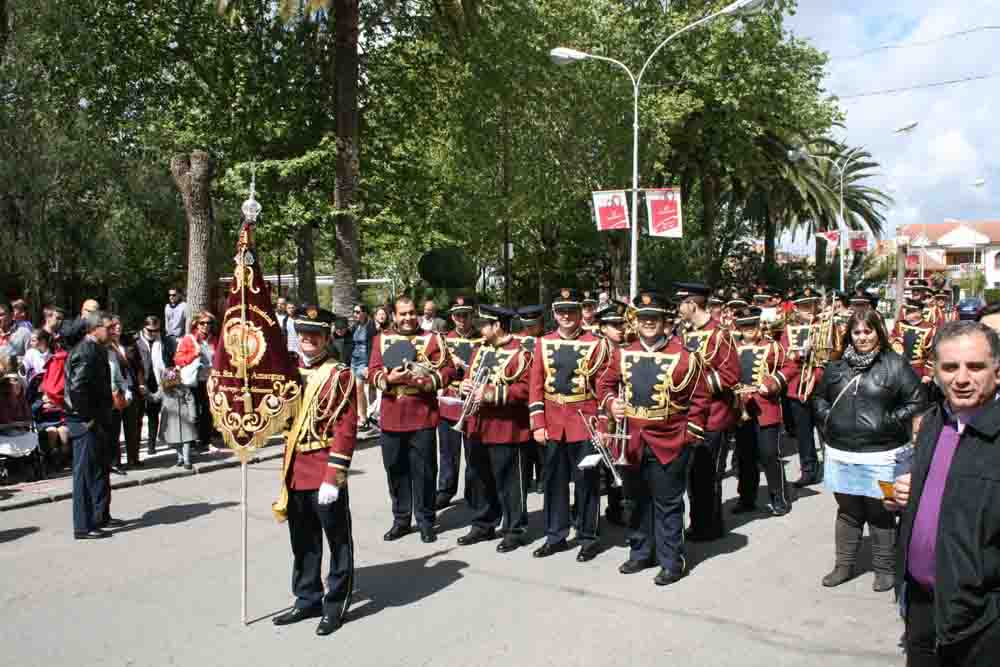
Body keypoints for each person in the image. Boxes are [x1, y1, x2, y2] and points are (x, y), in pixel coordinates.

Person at [890, 321, 1000, 666]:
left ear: (997, 371)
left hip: (981, 621)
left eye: (975, 366)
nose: (962, 378)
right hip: (922, 605)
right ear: (935, 372)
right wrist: (901, 497)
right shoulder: (932, 422)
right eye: (950, 367)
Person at [597, 290, 710, 585]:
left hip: (670, 439)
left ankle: (672, 560)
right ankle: (641, 552)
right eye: (644, 318)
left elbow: (700, 400)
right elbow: (605, 384)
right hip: (630, 441)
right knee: (634, 501)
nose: (648, 323)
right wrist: (611, 403)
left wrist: (689, 437)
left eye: (654, 318)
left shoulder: (685, 356)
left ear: (665, 322)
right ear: (636, 322)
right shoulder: (622, 353)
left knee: (668, 503)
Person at [811, 308, 925, 591]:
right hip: (841, 453)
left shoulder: (895, 364)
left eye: (867, 331)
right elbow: (818, 398)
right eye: (856, 332)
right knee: (848, 510)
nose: (862, 337)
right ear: (849, 334)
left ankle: (884, 569)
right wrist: (828, 418)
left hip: (884, 453)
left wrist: (887, 421)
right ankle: (843, 566)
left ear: (878, 332)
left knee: (882, 511)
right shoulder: (836, 366)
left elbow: (917, 400)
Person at [270, 306, 358, 637]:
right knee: (303, 540)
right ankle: (308, 597)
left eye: (315, 334)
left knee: (337, 541)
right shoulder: (291, 372)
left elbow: (346, 430)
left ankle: (335, 604)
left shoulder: (341, 375)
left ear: (326, 338)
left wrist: (334, 477)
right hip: (295, 468)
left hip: (323, 469)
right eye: (303, 332)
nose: (308, 338)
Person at [528, 288, 609, 562]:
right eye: (561, 311)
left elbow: (604, 387)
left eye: (571, 311)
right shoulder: (543, 342)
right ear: (554, 314)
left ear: (580, 313)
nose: (566, 316)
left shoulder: (596, 343)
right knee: (553, 482)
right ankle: (556, 535)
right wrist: (537, 423)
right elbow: (535, 386)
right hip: (552, 422)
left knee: (587, 482)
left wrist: (603, 425)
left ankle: (588, 537)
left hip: (584, 421)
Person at [369, 296, 455, 543]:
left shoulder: (432, 338)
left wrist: (429, 382)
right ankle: (401, 520)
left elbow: (448, 370)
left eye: (411, 313)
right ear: (394, 316)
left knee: (425, 471)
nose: (407, 318)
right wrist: (389, 380)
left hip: (422, 414)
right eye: (402, 314)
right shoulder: (381, 339)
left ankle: (426, 520)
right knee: (395, 470)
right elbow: (373, 371)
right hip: (392, 414)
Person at [457, 305, 533, 553]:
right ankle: (483, 523)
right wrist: (465, 387)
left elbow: (526, 389)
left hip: (507, 426)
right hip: (477, 425)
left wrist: (490, 393)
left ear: (497, 326)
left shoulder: (522, 352)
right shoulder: (480, 349)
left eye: (483, 324)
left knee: (510, 480)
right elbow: (469, 376)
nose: (479, 328)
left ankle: (514, 529)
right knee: (479, 477)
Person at [674, 281, 741, 542]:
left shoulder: (719, 334)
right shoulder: (683, 332)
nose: (678, 308)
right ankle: (700, 522)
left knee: (707, 472)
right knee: (693, 472)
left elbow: (731, 375)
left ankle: (710, 525)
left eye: (681, 303)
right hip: (688, 414)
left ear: (692, 304)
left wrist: (694, 386)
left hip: (713, 415)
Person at [731, 307, 793, 517]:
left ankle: (779, 497)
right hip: (741, 409)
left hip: (766, 409)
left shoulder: (772, 346)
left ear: (759, 326)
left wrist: (772, 383)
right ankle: (746, 498)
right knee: (745, 456)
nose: (749, 330)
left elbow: (790, 367)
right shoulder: (733, 347)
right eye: (744, 326)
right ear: (739, 328)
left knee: (768, 455)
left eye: (752, 325)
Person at [778, 287, 837, 487]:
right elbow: (784, 356)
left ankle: (833, 469)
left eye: (811, 305)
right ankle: (808, 470)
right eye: (804, 306)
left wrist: (817, 372)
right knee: (803, 433)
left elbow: (833, 354)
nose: (808, 310)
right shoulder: (789, 329)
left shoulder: (826, 326)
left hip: (821, 385)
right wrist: (797, 354)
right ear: (797, 309)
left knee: (826, 429)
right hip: (797, 386)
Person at [64, 310, 116, 539]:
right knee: (84, 473)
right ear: (94, 328)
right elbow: (77, 388)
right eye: (108, 326)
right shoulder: (85, 350)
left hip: (98, 419)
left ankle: (99, 516)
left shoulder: (97, 349)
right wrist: (88, 417)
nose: (112, 330)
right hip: (85, 421)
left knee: (99, 471)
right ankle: (83, 526)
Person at [436, 296, 481, 510]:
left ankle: (474, 491)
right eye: (458, 315)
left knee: (474, 451)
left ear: (472, 316)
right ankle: (445, 490)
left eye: (466, 314)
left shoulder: (482, 340)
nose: (462, 319)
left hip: (473, 399)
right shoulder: (444, 339)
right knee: (448, 450)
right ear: (452, 317)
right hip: (451, 398)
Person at [595, 299, 630, 526]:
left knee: (621, 458)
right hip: (603, 409)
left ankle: (620, 505)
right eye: (614, 325)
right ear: (603, 328)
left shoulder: (626, 346)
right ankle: (614, 507)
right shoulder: (599, 348)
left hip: (622, 410)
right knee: (609, 459)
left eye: (621, 324)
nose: (620, 329)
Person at [175, 311, 215, 452]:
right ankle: (192, 442)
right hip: (193, 381)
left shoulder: (212, 340)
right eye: (202, 323)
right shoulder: (189, 339)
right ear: (196, 324)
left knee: (207, 411)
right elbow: (178, 359)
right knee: (194, 412)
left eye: (208, 323)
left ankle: (206, 441)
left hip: (209, 381)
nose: (205, 326)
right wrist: (193, 355)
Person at [131, 316, 165, 455]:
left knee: (153, 415)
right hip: (139, 381)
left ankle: (151, 445)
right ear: (144, 328)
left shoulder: (162, 340)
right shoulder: (135, 340)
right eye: (150, 330)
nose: (153, 333)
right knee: (137, 416)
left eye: (156, 330)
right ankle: (136, 447)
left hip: (156, 380)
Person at [106, 316, 135, 472]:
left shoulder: (112, 352)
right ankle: (107, 462)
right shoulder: (97, 351)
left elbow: (118, 376)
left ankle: (116, 462)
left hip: (114, 396)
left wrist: (126, 390)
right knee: (107, 432)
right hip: (102, 398)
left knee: (115, 431)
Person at [891, 298, 936, 383]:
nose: (907, 313)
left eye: (911, 311)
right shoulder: (900, 324)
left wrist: (927, 374)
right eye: (907, 310)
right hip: (899, 368)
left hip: (918, 371)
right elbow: (892, 339)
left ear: (919, 312)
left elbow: (933, 353)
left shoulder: (929, 328)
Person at [350, 303, 376, 433]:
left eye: (358, 311)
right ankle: (361, 416)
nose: (355, 314)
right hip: (354, 360)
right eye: (354, 312)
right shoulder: (355, 327)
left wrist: (369, 365)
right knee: (356, 390)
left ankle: (364, 417)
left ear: (365, 313)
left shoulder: (370, 326)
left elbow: (372, 346)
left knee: (360, 388)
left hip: (364, 361)